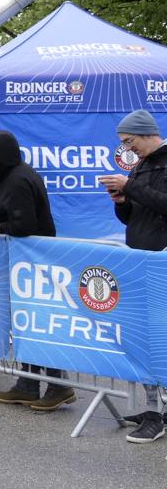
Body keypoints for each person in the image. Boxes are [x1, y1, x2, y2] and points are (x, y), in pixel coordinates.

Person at [0, 130, 75, 410]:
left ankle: (56, 385)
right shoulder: (18, 174)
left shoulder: (16, 180)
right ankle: (29, 384)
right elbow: (19, 216)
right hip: (30, 261)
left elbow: (23, 226)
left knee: (35, 324)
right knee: (29, 324)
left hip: (31, 263)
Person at [99, 109, 167, 443]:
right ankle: (154, 408)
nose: (128, 149)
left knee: (159, 340)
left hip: (161, 263)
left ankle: (157, 415)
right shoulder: (140, 166)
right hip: (139, 259)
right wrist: (122, 201)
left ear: (146, 134)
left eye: (129, 141)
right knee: (144, 340)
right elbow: (134, 218)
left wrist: (132, 187)